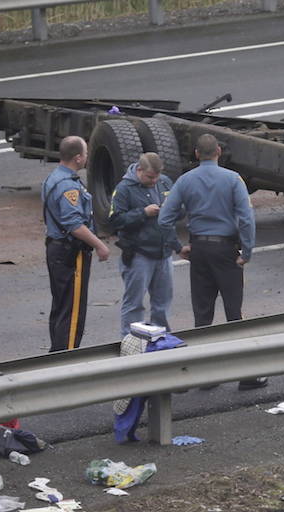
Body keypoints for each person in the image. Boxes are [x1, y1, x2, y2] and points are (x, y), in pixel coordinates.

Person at [158, 133, 266, 390]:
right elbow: (246, 219)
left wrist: (177, 247)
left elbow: (164, 219)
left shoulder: (185, 181)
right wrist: (247, 252)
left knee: (202, 315)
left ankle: (206, 377)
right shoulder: (232, 179)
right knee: (234, 314)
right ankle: (246, 376)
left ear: (196, 154)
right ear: (218, 151)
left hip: (199, 251)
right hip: (226, 250)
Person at [42, 135, 111, 351]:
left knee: (61, 306)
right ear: (78, 158)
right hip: (70, 253)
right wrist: (99, 245)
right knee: (72, 312)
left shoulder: (54, 178)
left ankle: (56, 355)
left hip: (57, 248)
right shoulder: (67, 187)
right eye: (86, 154)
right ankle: (67, 359)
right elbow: (74, 224)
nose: (88, 157)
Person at [109, 152, 181, 338]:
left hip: (163, 253)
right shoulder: (124, 189)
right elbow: (115, 220)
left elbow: (179, 210)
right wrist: (143, 213)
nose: (154, 180)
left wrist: (171, 210)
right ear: (139, 170)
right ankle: (130, 340)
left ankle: (160, 339)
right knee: (134, 303)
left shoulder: (164, 182)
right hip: (138, 254)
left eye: (157, 176)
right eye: (150, 177)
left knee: (162, 303)